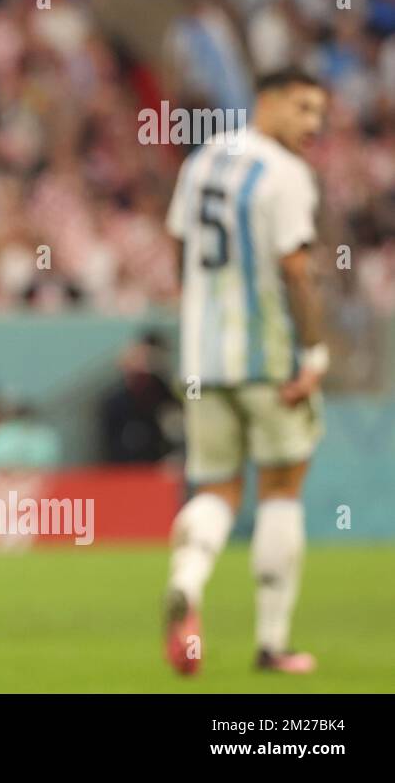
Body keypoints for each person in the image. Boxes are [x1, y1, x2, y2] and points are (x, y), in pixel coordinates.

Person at [162, 67, 329, 675]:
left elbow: (179, 247)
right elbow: (296, 270)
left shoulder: (201, 161)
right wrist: (314, 352)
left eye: (319, 113)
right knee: (282, 489)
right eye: (303, 108)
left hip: (202, 361)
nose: (313, 124)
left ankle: (187, 579)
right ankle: (272, 645)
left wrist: (198, 317)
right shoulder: (286, 173)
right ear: (268, 102)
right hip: (268, 360)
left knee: (216, 489)